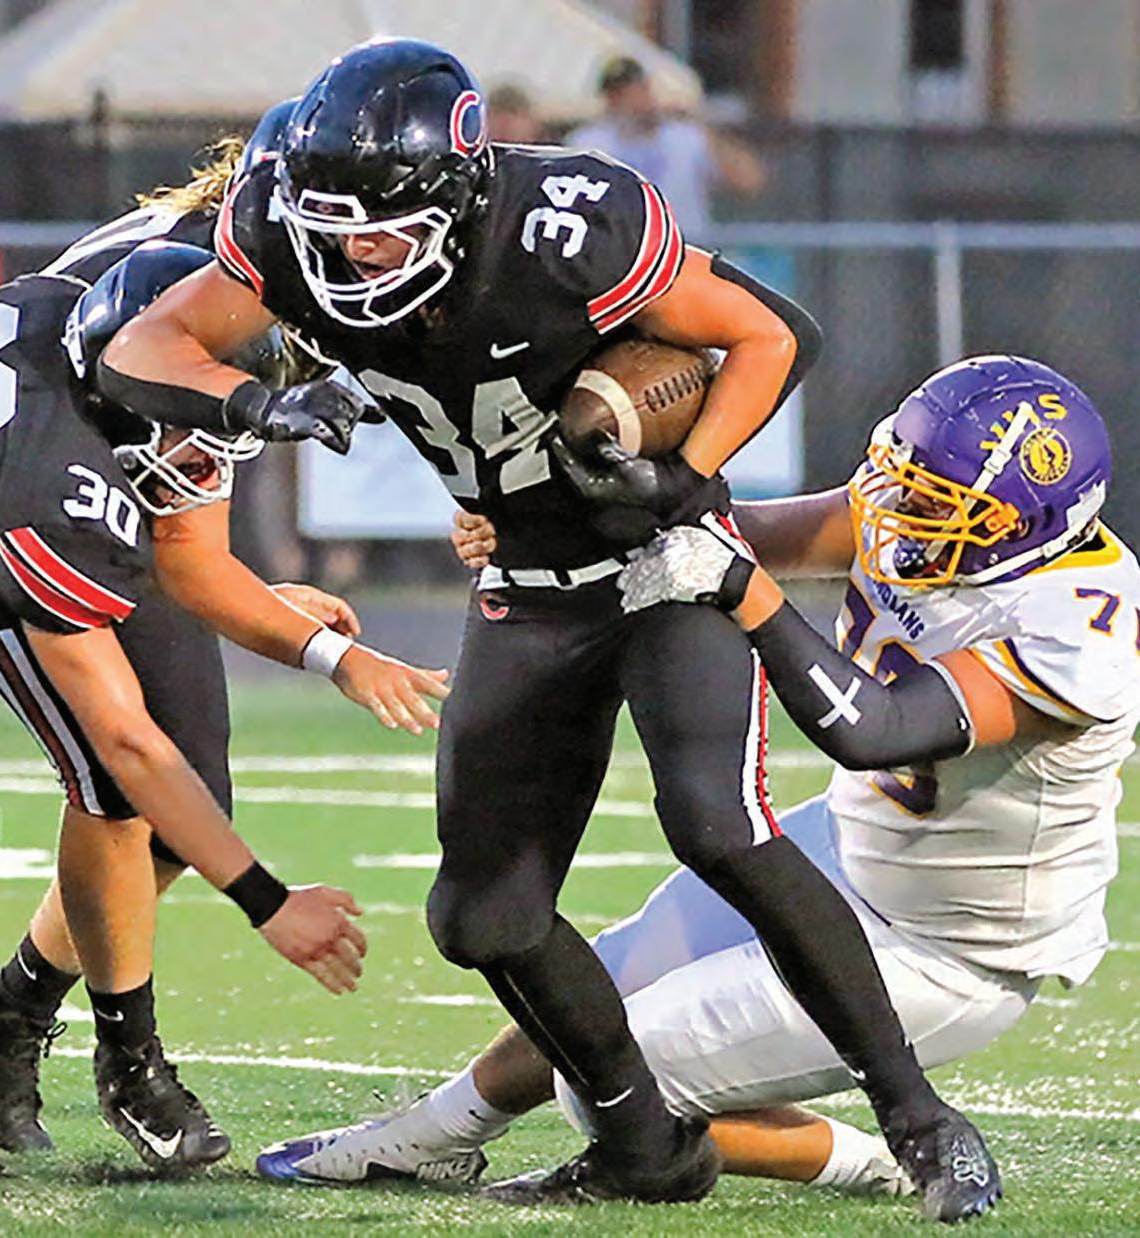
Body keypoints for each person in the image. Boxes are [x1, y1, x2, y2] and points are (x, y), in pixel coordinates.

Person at [101, 36, 1002, 1221]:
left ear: (455, 194)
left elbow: (773, 334)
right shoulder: (286, 228)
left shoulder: (562, 224)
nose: (349, 253)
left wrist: (682, 476)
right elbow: (141, 345)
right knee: (482, 916)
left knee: (718, 827)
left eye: (378, 227)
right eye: (328, 225)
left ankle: (919, 1117)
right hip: (526, 577)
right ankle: (642, 1140)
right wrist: (260, 400)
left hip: (659, 558)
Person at [259, 357, 1140, 1219]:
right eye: (907, 479)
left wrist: (745, 593)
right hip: (847, 846)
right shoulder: (917, 514)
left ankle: (866, 1159)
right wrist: (553, 526)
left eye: (939, 500)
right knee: (591, 993)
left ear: (1026, 524)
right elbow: (744, 538)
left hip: (954, 945)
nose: (904, 509)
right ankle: (432, 1135)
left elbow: (873, 730)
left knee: (608, 1083)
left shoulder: (1084, 630)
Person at [0, 240, 420, 1172]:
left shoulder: (71, 326)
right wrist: (267, 903)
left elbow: (177, 552)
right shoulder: (50, 493)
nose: (204, 466)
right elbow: (130, 745)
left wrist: (311, 643)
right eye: (192, 435)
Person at [563, 56, 765, 240]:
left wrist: (701, 124)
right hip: (621, 249)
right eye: (620, 95)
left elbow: (749, 182)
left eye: (636, 91)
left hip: (686, 246)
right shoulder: (588, 142)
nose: (630, 102)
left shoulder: (685, 136)